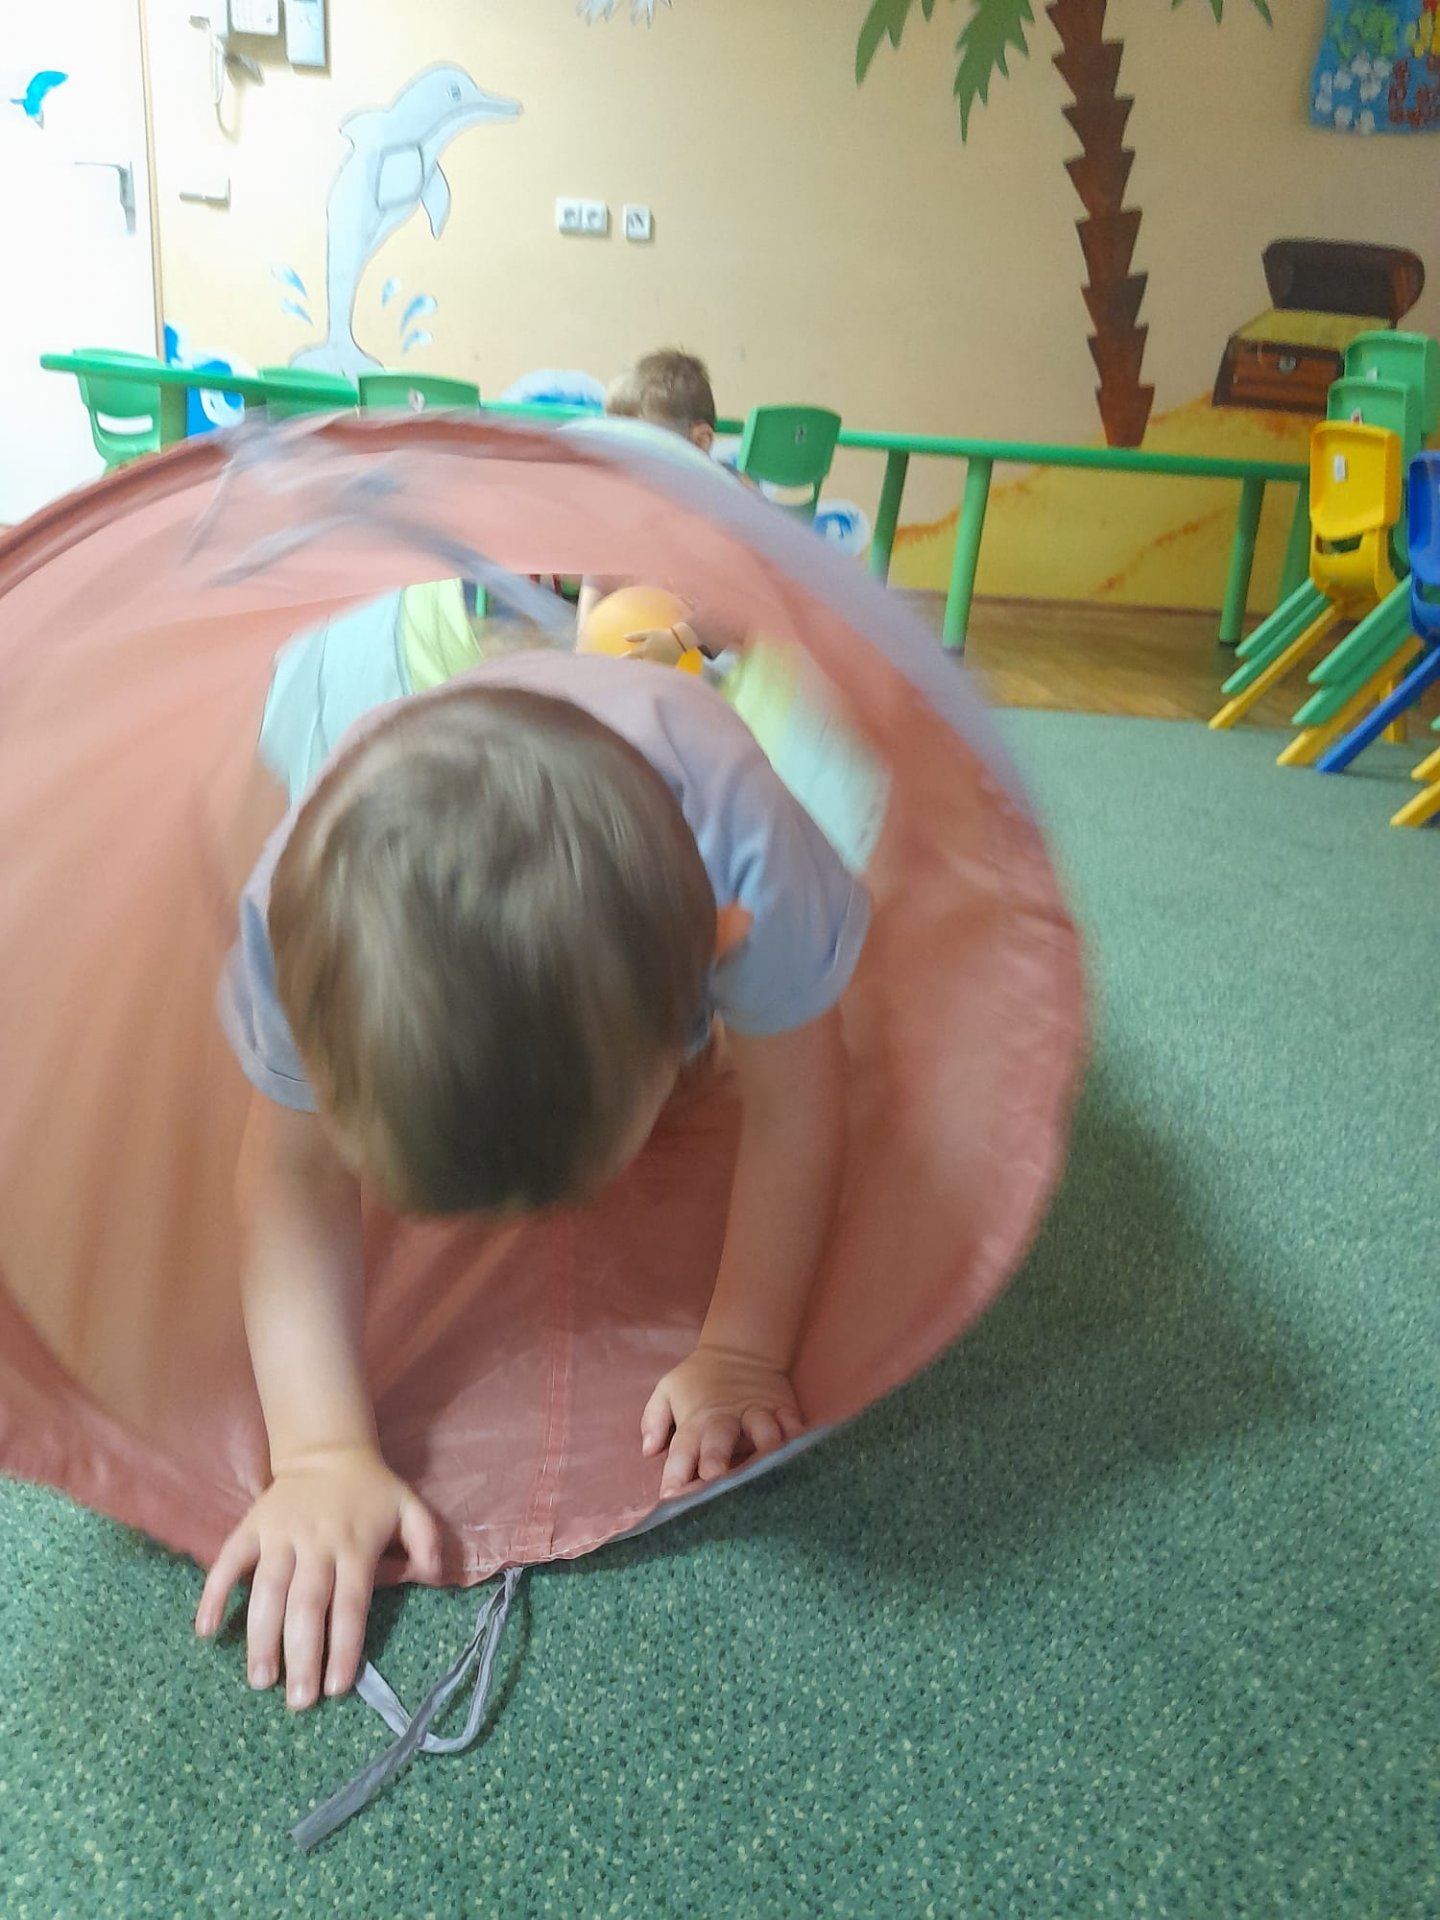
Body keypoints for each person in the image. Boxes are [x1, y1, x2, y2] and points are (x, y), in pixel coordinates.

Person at [196, 647, 869, 1713]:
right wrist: (319, 1451)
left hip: (678, 768)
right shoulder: (299, 923)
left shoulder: (752, 866)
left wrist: (742, 1349)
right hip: (401, 770)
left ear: (707, 976)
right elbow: (290, 1173)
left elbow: (797, 1106)